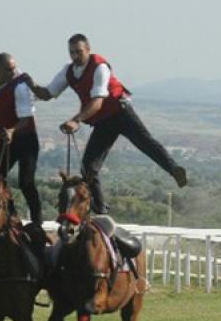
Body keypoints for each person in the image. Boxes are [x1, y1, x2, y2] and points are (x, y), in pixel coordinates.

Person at [28, 33, 187, 216]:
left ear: (88, 49)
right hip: (103, 121)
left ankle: (173, 169)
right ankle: (101, 211)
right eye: (71, 53)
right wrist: (31, 84)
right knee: (88, 166)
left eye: (79, 52)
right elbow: (48, 93)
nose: (75, 56)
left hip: (121, 112)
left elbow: (98, 101)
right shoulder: (69, 71)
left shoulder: (99, 67)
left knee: (145, 142)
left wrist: (76, 120)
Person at [0, 53, 43, 226]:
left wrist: (12, 130)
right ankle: (10, 216)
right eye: (10, 69)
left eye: (14, 68)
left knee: (26, 182)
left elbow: (26, 119)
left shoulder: (20, 86)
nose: (15, 72)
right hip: (8, 141)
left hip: (26, 140)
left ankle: (37, 223)